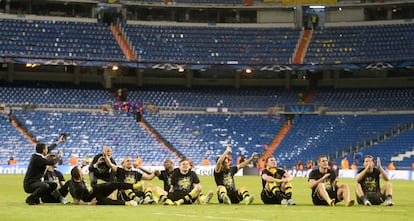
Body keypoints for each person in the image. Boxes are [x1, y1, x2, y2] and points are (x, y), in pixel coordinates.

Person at [104, 155, 173, 205]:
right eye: (128, 161)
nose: (130, 162)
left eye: (131, 161)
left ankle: (146, 199)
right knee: (125, 186)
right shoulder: (119, 171)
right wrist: (105, 156)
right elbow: (110, 164)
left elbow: (149, 177)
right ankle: (138, 200)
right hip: (124, 194)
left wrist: (155, 173)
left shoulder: (136, 173)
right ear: (123, 164)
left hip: (135, 193)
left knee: (148, 185)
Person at [64, 166, 140, 206]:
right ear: (79, 175)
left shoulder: (75, 178)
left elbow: (74, 173)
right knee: (106, 201)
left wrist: (82, 166)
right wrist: (89, 204)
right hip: (91, 198)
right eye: (80, 171)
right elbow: (76, 201)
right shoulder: (78, 188)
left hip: (94, 190)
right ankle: (127, 203)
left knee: (113, 184)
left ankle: (134, 186)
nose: (82, 171)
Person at [23, 136, 65, 205]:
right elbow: (51, 162)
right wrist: (59, 156)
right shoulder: (37, 159)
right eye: (46, 149)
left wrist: (58, 142)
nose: (47, 150)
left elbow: (49, 148)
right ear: (43, 150)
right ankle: (31, 198)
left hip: (36, 182)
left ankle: (40, 198)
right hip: (30, 184)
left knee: (53, 185)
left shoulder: (38, 156)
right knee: (45, 186)